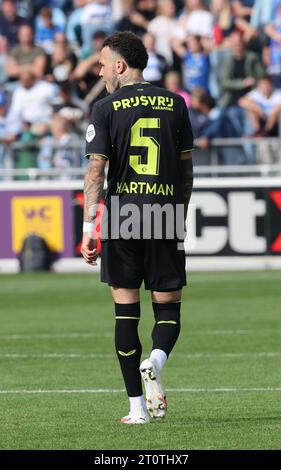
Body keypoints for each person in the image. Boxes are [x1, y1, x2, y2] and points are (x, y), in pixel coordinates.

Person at [81, 31, 194, 424]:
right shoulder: (176, 103)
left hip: (122, 217)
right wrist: (177, 213)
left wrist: (88, 228)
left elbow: (96, 170)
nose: (99, 70)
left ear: (120, 65)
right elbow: (186, 171)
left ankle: (135, 409)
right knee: (169, 310)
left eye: (102, 63)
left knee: (125, 315)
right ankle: (156, 362)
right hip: (164, 213)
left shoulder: (106, 106)